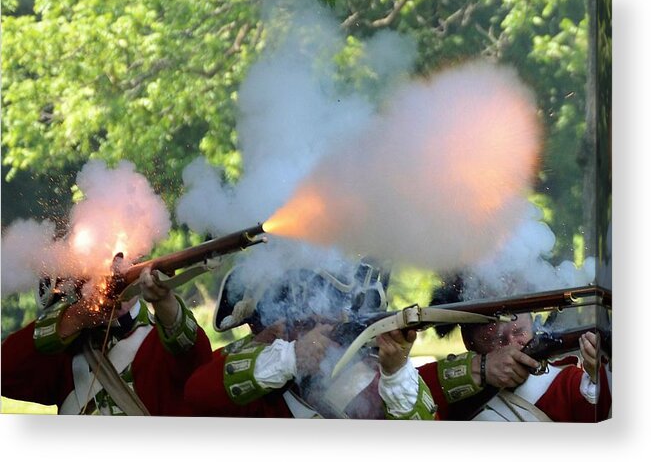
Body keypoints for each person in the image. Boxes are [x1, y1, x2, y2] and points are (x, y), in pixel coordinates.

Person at [184, 261, 440, 419]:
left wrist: (395, 374)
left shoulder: (367, 378)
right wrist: (291, 359)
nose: (321, 319)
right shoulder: (257, 371)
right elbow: (197, 394)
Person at [384, 277, 612, 422]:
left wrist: (598, 372)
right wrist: (479, 370)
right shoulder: (448, 395)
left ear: (531, 321)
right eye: (497, 336)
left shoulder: (568, 383)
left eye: (517, 326)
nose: (510, 338)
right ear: (468, 340)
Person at [1, 267, 212, 416]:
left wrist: (164, 302)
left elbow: (195, 357)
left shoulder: (161, 341)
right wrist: (76, 318)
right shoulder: (64, 353)